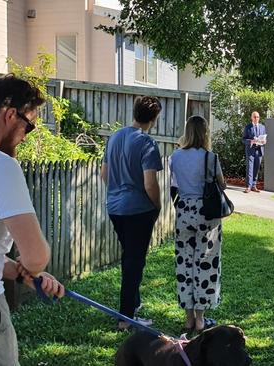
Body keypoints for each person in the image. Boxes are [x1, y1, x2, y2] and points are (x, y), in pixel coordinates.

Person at [0, 75, 65, 365]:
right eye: (29, 125)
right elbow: (35, 255)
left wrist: (19, 272)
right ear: (10, 114)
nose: (27, 136)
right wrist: (34, 267)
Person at [101, 96, 163, 330]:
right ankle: (125, 318)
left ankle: (132, 307)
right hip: (138, 210)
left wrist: (119, 190)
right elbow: (150, 184)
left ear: (135, 112)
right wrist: (157, 205)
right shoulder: (147, 143)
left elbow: (104, 174)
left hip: (115, 208)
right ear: (155, 118)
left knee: (130, 257)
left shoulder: (115, 136)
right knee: (134, 263)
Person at [170, 115, 225, 334]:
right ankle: (201, 319)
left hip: (184, 210)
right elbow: (222, 183)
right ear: (205, 133)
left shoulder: (175, 156)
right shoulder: (210, 157)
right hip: (207, 212)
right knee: (206, 262)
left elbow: (173, 185)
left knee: (184, 262)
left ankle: (189, 318)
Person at [241, 111, 266, 193]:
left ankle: (254, 186)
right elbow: (243, 140)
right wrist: (251, 141)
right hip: (250, 150)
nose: (256, 118)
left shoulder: (262, 127)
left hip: (259, 150)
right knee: (250, 168)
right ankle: (248, 186)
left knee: (256, 168)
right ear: (251, 118)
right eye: (254, 117)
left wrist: (264, 141)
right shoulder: (248, 127)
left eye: (258, 117)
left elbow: (264, 138)